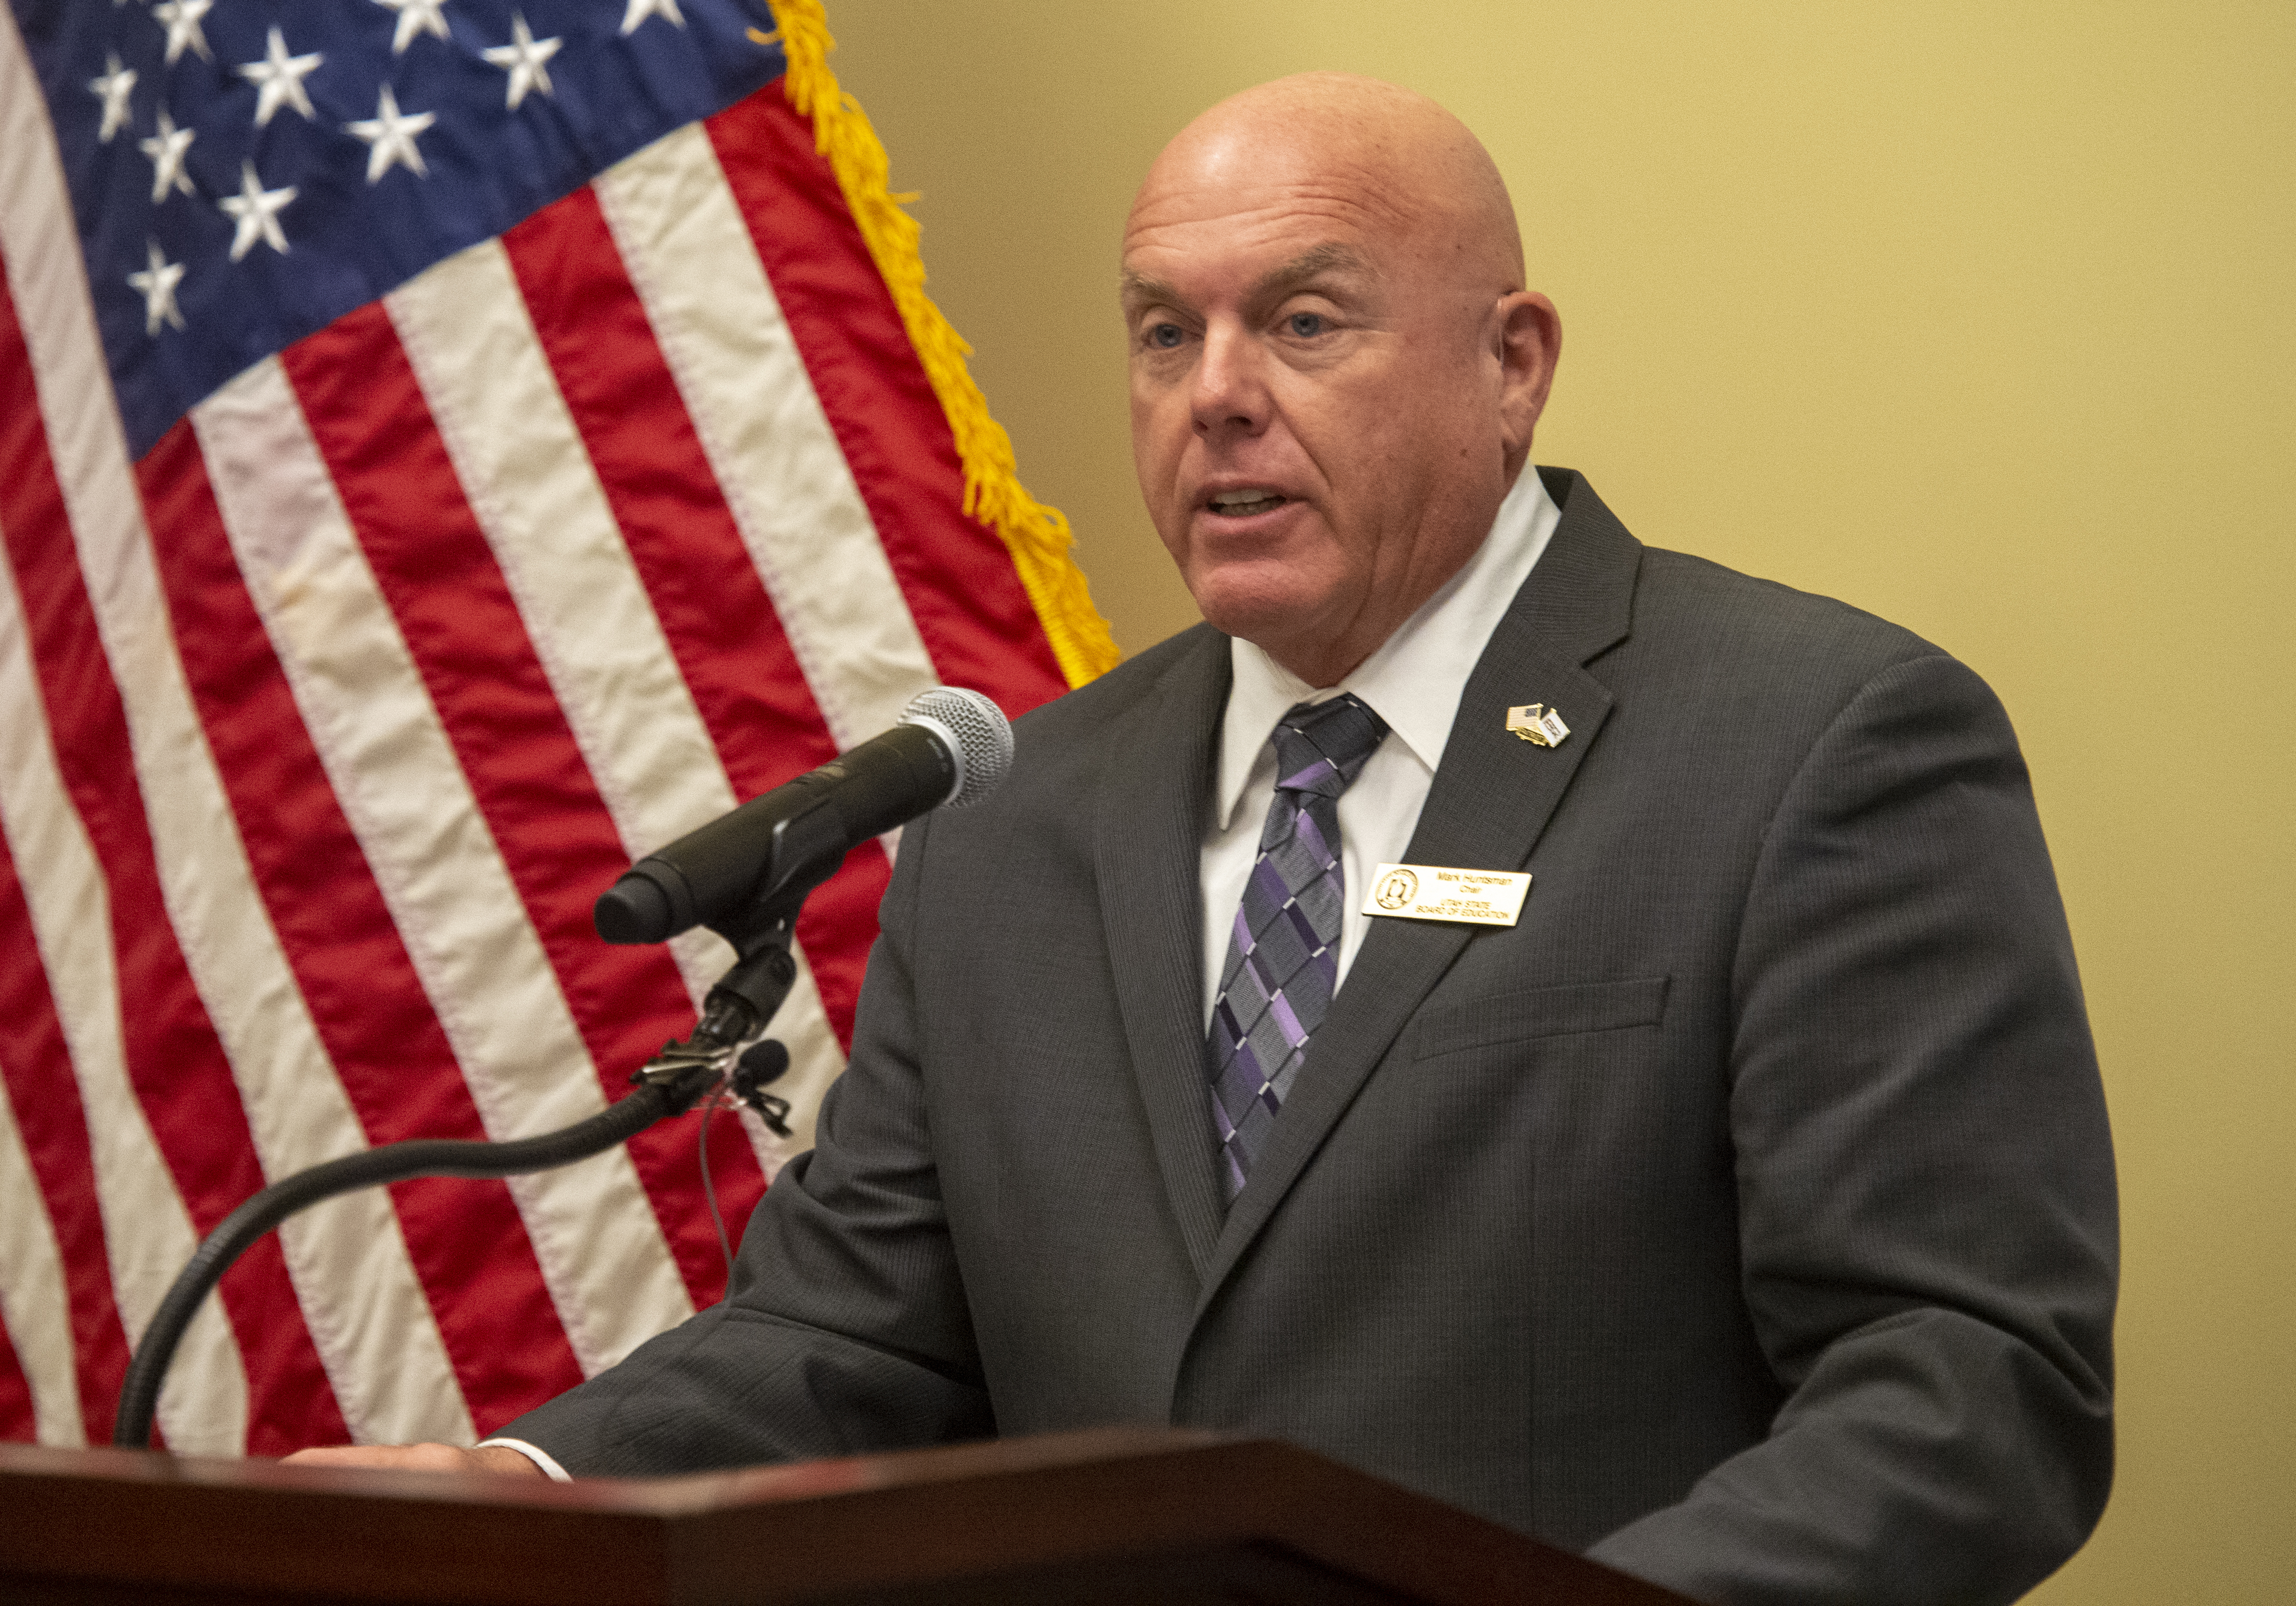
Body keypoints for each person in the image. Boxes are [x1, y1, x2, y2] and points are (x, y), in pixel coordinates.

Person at [293, 73, 2117, 1606]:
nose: (1214, 393)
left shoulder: (1808, 744)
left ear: (1513, 364)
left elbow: (1963, 1387)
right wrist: (524, 1481)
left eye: (1303, 322)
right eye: (1165, 332)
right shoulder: (1018, 816)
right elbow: (860, 1340)